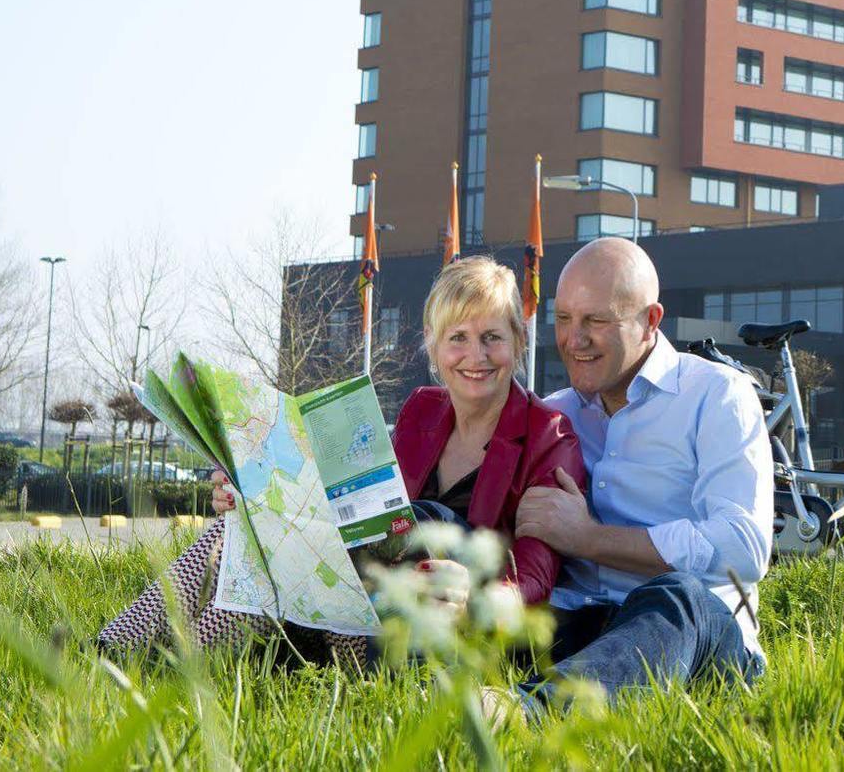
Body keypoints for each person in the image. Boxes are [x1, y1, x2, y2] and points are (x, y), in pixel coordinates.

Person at [96, 255, 584, 658]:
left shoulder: (549, 435)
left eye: (492, 338)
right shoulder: (421, 410)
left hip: (424, 625)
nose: (475, 356)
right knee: (253, 523)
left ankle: (172, 665)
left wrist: (476, 594)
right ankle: (121, 648)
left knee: (416, 523)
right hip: (351, 599)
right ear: (434, 348)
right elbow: (360, 504)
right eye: (457, 337)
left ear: (518, 343)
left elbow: (536, 574)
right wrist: (253, 487)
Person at [510, 236, 773, 710]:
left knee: (680, 596)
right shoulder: (553, 416)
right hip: (578, 627)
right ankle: (353, 643)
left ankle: (526, 711)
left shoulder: (716, 395)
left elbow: (743, 549)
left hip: (693, 635)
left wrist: (589, 539)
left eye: (596, 320)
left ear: (651, 321)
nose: (574, 340)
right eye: (564, 319)